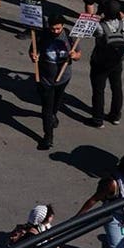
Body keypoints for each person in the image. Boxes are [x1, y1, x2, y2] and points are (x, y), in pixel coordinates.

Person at [30, 13, 80, 150]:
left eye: (58, 29)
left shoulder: (69, 36)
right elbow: (33, 51)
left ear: (63, 26)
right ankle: (48, 137)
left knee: (56, 103)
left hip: (63, 78)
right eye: (53, 29)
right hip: (45, 79)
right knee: (46, 108)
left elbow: (78, 54)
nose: (55, 32)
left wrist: (74, 55)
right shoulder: (42, 35)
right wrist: (34, 56)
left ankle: (54, 115)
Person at [88, 0, 124, 127]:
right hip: (117, 62)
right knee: (117, 88)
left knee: (99, 91)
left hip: (100, 63)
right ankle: (115, 115)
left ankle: (97, 119)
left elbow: (91, 23)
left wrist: (99, 12)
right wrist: (116, 10)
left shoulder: (100, 27)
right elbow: (123, 16)